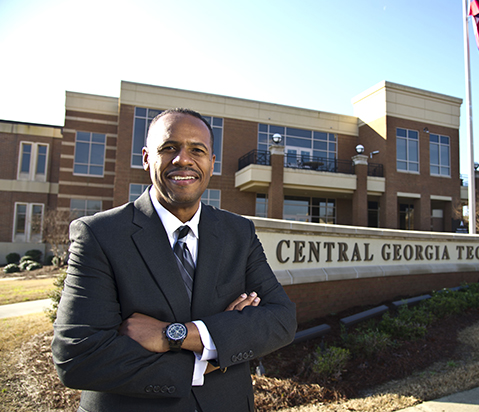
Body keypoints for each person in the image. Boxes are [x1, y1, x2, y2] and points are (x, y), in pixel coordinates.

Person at [52, 108, 297, 412]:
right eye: (169, 148)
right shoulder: (100, 235)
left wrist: (172, 336)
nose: (183, 159)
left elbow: (281, 320)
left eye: (197, 150)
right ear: (146, 158)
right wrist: (209, 357)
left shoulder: (238, 232)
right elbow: (78, 356)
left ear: (211, 163)